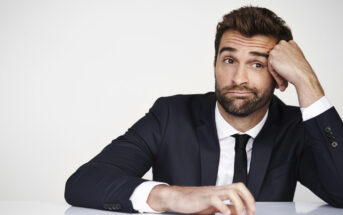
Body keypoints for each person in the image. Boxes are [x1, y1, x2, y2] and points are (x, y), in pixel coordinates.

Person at [64, 6, 343, 215]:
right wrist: (171, 196)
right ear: (214, 64)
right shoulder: (170, 115)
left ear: (279, 75)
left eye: (257, 64)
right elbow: (83, 182)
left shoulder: (296, 128)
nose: (238, 78)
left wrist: (307, 80)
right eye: (230, 60)